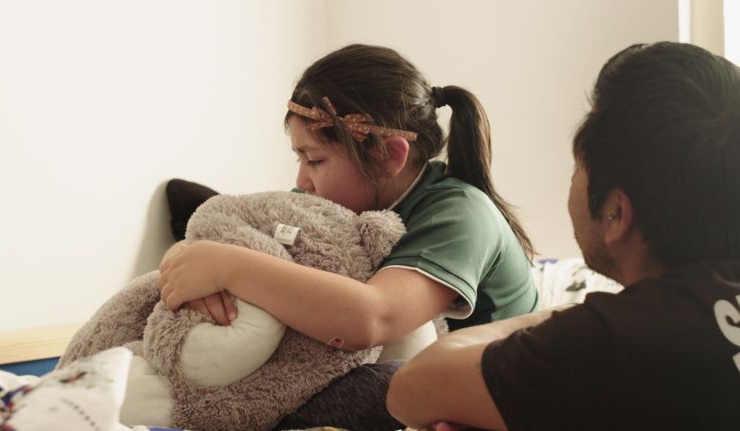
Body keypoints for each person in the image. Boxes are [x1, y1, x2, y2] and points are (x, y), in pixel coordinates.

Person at [158, 44, 537, 428]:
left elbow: (373, 319)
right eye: (299, 159)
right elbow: (261, 239)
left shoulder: (461, 213)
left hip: (486, 401)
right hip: (403, 365)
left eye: (315, 160)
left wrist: (227, 267)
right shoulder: (340, 201)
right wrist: (191, 263)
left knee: (386, 387)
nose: (301, 180)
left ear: (388, 156)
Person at [386, 41, 740, 430]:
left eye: (577, 169)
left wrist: (569, 316)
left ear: (616, 214)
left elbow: (411, 389)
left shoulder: (622, 339)